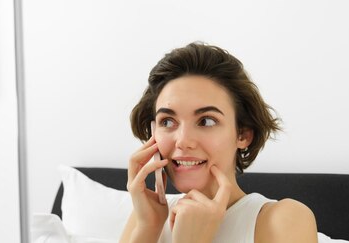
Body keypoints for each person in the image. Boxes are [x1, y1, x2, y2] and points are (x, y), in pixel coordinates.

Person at [121, 42, 318, 243]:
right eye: (168, 121)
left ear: (242, 135)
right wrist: (148, 227)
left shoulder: (282, 220)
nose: (183, 141)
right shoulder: (146, 217)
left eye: (206, 121)